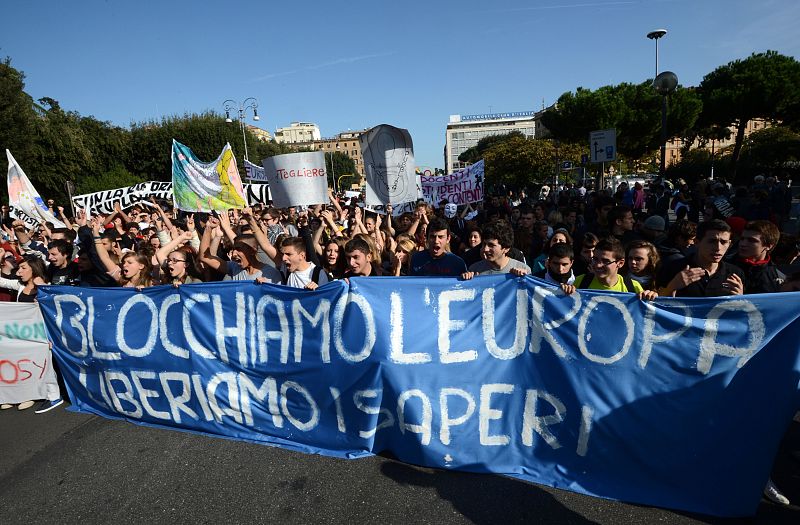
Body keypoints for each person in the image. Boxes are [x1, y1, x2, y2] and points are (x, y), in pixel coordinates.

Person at [657, 220, 745, 297]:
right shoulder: (673, 268)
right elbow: (656, 305)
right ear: (696, 242)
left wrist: (740, 298)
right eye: (711, 241)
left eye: (724, 242)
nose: (718, 248)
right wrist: (671, 287)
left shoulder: (735, 274)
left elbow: (745, 310)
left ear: (729, 244)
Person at [565, 237, 657, 300]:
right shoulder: (581, 282)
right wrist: (563, 291)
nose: (598, 265)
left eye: (605, 261)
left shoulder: (632, 287)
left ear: (620, 263)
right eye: (595, 259)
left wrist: (652, 298)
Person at [461, 222, 530, 279]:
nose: (485, 249)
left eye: (491, 245)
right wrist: (467, 279)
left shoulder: (523, 270)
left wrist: (524, 277)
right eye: (484, 244)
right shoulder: (474, 270)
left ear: (506, 248)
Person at [735, 220, 784, 294]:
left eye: (752, 240)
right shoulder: (723, 265)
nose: (743, 244)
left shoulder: (777, 276)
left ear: (768, 246)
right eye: (742, 239)